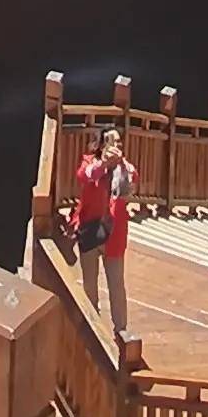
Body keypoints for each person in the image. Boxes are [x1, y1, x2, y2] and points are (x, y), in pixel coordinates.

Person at [71, 121, 136, 337]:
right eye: (110, 141)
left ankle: (121, 332)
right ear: (100, 145)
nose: (116, 145)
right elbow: (84, 175)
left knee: (116, 285)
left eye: (118, 141)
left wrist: (120, 167)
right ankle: (92, 327)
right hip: (90, 231)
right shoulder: (90, 162)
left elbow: (130, 188)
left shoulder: (126, 168)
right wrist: (104, 165)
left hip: (114, 235)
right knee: (90, 284)